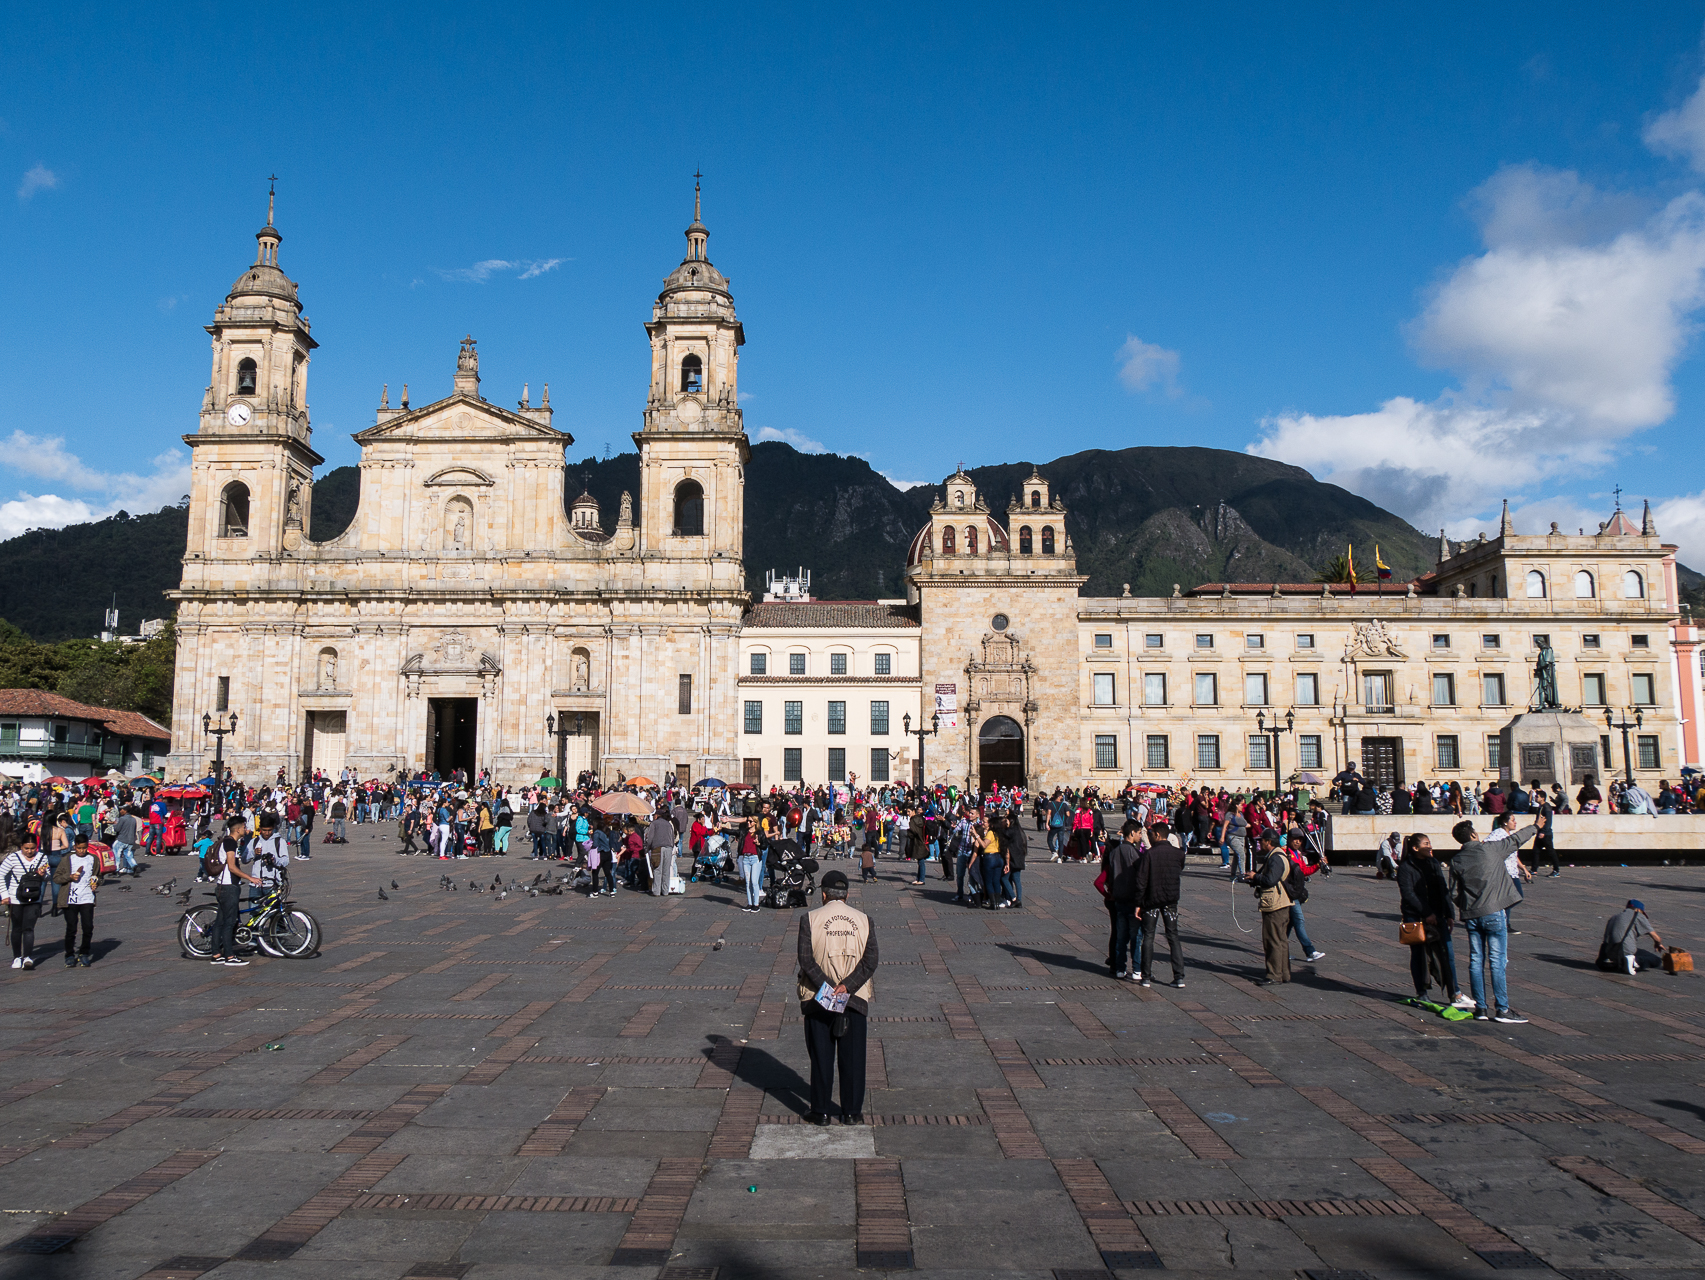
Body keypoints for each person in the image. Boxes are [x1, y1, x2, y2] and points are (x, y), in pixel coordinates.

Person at [796, 869, 878, 1125]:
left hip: (818, 998)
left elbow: (806, 960)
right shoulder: (864, 920)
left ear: (823, 894)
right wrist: (846, 986)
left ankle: (820, 1111)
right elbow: (871, 960)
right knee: (853, 1057)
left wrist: (829, 987)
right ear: (847, 895)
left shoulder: (809, 919)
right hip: (853, 998)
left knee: (821, 1056)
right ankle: (851, 1112)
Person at [1449, 818, 1538, 1023]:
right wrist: (1536, 826)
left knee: (1475, 960)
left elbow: (1453, 892)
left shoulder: (1457, 860)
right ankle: (1502, 1009)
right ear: (1473, 835)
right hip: (1494, 912)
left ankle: (1480, 1008)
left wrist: (1467, 904)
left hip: (1472, 915)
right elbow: (1516, 840)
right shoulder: (1490, 849)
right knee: (1497, 961)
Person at [1396, 833, 1469, 1008]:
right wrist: (1427, 912)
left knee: (1447, 954)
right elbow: (1408, 894)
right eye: (1426, 844)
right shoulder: (1406, 867)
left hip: (1438, 915)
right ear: (1415, 848)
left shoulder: (1434, 863)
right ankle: (1422, 992)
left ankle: (1454, 992)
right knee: (1420, 956)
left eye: (1430, 843)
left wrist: (1449, 913)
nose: (1430, 847)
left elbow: (1443, 888)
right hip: (1416, 917)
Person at [1135, 819, 1185, 988]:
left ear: (1157, 835)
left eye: (1150, 835)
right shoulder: (1178, 853)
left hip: (1151, 900)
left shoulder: (1149, 855)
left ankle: (1146, 977)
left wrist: (1138, 904)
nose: (1148, 839)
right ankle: (1179, 977)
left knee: (1149, 936)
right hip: (1171, 899)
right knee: (1173, 936)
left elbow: (1141, 881)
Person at [1245, 832, 1294, 985]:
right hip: (1282, 902)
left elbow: (1270, 880)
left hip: (1275, 905)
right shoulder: (1278, 855)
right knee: (1281, 940)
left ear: (1268, 842)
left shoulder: (1276, 858)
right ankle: (1284, 974)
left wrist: (1255, 877)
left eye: (1262, 841)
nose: (1260, 844)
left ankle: (1274, 975)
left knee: (1272, 940)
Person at [211, 821, 262, 966]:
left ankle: (216, 954)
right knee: (229, 922)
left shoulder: (228, 841)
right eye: (244, 827)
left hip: (223, 886)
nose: (246, 829)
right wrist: (250, 877)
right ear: (238, 829)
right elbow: (232, 867)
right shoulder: (230, 843)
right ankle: (230, 956)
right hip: (229, 887)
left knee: (220, 922)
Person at [1, 835, 50, 970]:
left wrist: (43, 874)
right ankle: (17, 957)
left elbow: (48, 877)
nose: (29, 851)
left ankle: (27, 957)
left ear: (36, 847)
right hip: (15, 897)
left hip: (34, 898)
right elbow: (1, 873)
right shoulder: (13, 858)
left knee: (29, 927)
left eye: (32, 848)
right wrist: (4, 895)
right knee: (17, 928)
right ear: (21, 846)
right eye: (26, 848)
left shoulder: (42, 858)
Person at [1103, 820, 1144, 980]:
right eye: (1139, 833)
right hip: (1132, 900)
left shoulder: (1114, 852)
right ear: (1132, 833)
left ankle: (1120, 968)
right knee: (1135, 937)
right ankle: (1137, 970)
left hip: (1118, 898)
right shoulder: (1134, 853)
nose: (1140, 836)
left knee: (1120, 937)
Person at [55, 832, 99, 967]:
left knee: (88, 927)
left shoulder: (93, 859)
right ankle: (69, 954)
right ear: (75, 847)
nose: (82, 851)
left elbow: (97, 875)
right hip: (70, 899)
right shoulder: (67, 859)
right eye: (79, 848)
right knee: (71, 927)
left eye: (84, 848)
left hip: (87, 898)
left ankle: (84, 952)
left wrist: (96, 881)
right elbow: (56, 877)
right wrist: (69, 877)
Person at [1284, 832, 1327, 963]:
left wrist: (1318, 865)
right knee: (1299, 920)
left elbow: (1303, 871)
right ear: (1289, 839)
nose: (1297, 842)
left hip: (1297, 891)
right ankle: (1310, 951)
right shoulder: (1286, 854)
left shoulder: (1298, 854)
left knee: (1290, 923)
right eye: (1294, 839)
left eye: (1300, 840)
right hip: (1290, 892)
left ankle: (1280, 950)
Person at [1600, 899, 1663, 975]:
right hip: (1624, 950)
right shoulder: (1637, 915)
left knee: (1642, 952)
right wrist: (1658, 944)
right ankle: (1634, 961)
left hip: (1609, 952)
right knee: (1656, 960)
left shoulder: (1614, 917)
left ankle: (1620, 961)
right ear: (1638, 909)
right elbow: (1656, 937)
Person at [645, 808, 677, 897]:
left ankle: (656, 891)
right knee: (666, 869)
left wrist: (647, 848)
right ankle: (665, 891)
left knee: (657, 869)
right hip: (668, 848)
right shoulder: (668, 824)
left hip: (657, 848)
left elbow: (650, 838)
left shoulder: (654, 824)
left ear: (657, 816)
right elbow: (672, 837)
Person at [736, 820, 763, 912]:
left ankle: (756, 904)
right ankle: (750, 903)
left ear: (755, 822)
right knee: (748, 882)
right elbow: (733, 831)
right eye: (748, 821)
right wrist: (723, 828)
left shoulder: (759, 833)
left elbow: (765, 845)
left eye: (750, 821)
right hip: (746, 858)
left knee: (754, 882)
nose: (748, 823)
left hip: (755, 858)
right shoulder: (745, 832)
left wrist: (759, 843)